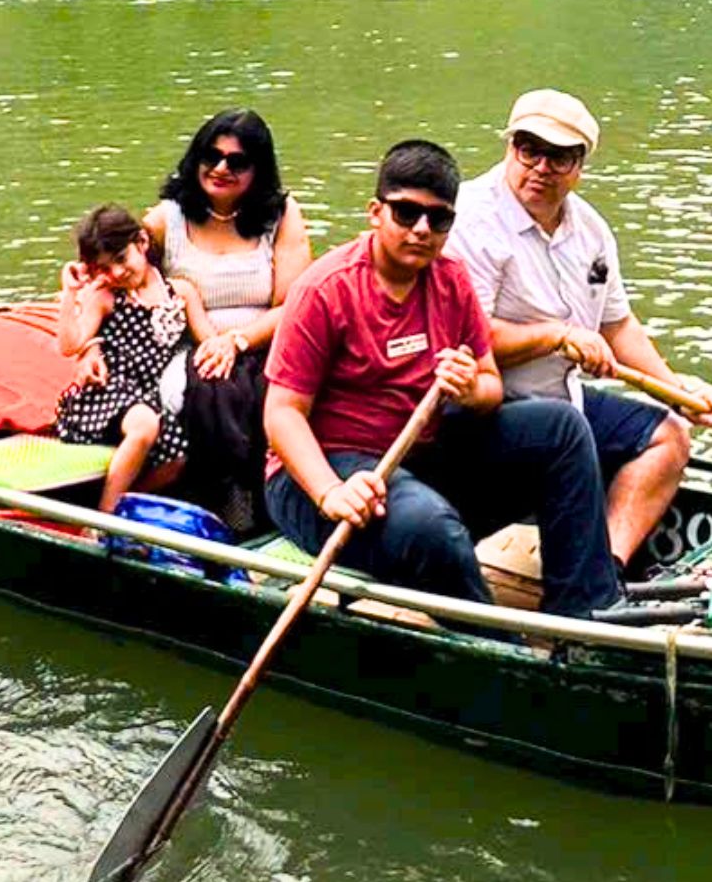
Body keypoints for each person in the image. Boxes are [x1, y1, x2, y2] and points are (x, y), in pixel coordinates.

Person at [263, 140, 618, 617]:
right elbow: (282, 414)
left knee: (563, 428)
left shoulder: (451, 279)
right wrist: (331, 491)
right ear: (376, 212)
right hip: (323, 473)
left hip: (421, 453)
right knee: (429, 526)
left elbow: (491, 385)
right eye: (406, 213)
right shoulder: (326, 290)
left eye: (439, 219)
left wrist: (470, 387)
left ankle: (585, 617)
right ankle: (499, 648)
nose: (422, 230)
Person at [449, 90, 712, 571]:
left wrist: (676, 391)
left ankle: (607, 568)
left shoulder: (591, 231)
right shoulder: (470, 219)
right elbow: (470, 339)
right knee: (566, 432)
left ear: (580, 164)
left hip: (564, 400)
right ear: (508, 146)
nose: (540, 167)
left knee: (669, 437)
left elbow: (616, 323)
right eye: (528, 149)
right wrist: (558, 336)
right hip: (484, 407)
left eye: (559, 157)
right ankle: (580, 588)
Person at [144, 111, 312, 533]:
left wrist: (236, 341)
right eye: (211, 156)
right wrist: (76, 286)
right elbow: (116, 267)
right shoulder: (167, 219)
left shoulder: (281, 215)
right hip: (190, 344)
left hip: (264, 338)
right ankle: (228, 504)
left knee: (269, 383)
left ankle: (280, 498)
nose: (220, 169)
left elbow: (292, 304)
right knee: (213, 387)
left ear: (257, 170)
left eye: (236, 162)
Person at [56, 204, 206, 513]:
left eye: (121, 259)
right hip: (110, 391)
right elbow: (70, 345)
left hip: (152, 394)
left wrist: (236, 343)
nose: (117, 273)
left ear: (142, 243)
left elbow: (209, 339)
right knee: (145, 426)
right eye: (105, 268)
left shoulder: (180, 293)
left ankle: (119, 498)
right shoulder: (107, 296)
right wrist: (70, 293)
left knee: (177, 458)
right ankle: (105, 520)